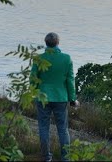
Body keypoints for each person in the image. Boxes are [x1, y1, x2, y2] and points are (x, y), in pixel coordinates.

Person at [31, 32, 78, 162]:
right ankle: (65, 158)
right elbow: (70, 80)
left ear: (46, 43)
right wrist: (72, 99)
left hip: (42, 97)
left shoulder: (38, 59)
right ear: (58, 42)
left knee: (43, 128)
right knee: (63, 130)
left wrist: (33, 93)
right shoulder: (66, 58)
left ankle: (46, 157)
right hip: (60, 98)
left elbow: (33, 79)